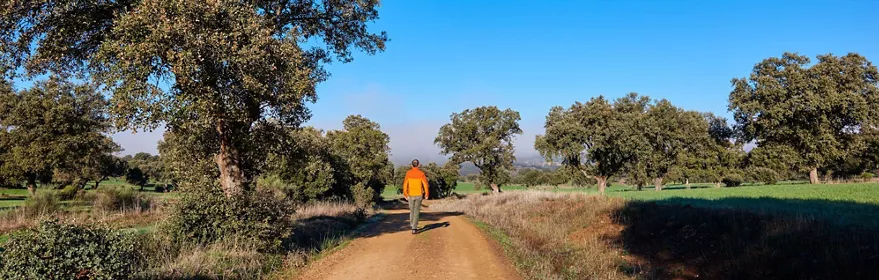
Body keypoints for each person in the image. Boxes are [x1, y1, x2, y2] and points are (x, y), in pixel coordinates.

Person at [403, 159, 429, 234]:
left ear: (411, 165)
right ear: (419, 165)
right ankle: (414, 228)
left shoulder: (408, 173)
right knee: (416, 211)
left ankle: (412, 225)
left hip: (410, 195)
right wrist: (426, 194)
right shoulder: (421, 174)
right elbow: (425, 185)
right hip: (419, 195)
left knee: (412, 211)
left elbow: (405, 184)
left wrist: (405, 194)